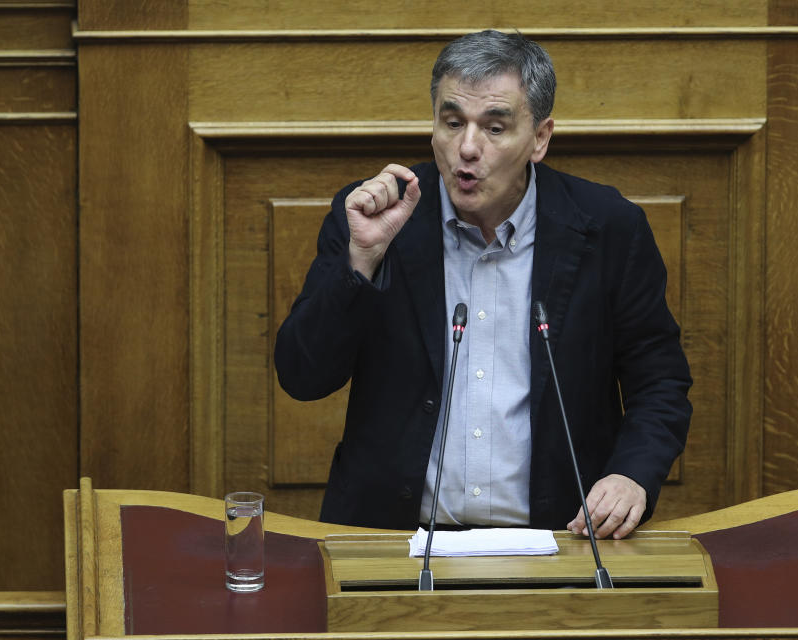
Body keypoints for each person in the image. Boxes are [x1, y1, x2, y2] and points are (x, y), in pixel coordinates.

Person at [274, 30, 692, 540]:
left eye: (494, 128)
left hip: (560, 541)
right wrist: (361, 261)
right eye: (452, 123)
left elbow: (660, 384)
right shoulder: (374, 219)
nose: (466, 148)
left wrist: (632, 475)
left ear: (539, 138)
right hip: (392, 541)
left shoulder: (609, 229)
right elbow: (302, 376)